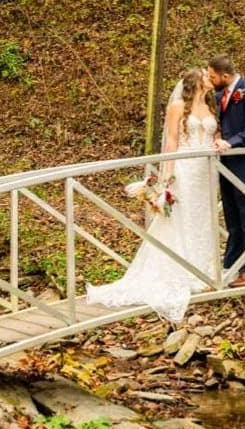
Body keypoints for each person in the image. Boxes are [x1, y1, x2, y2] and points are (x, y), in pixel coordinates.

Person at [86, 67, 219, 323]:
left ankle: (204, 269)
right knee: (180, 217)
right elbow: (171, 141)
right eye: (205, 75)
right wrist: (166, 175)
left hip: (206, 172)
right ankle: (182, 271)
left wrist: (218, 145)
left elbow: (216, 135)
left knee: (202, 218)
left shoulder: (212, 107)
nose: (209, 78)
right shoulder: (178, 106)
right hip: (184, 168)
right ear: (194, 82)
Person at [207, 56, 245, 288]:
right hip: (226, 167)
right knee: (232, 219)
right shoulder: (219, 96)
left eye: (213, 76)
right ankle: (231, 266)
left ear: (225, 75)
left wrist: (230, 143)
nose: (211, 80)